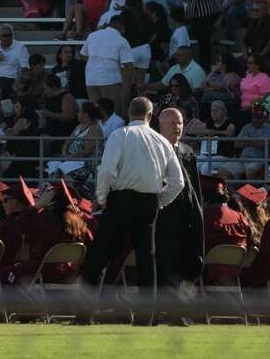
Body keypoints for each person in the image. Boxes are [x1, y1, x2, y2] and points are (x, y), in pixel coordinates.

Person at [81, 96, 186, 291]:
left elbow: (107, 171)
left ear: (129, 113)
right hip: (149, 202)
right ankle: (146, 316)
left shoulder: (120, 135)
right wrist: (159, 200)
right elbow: (178, 182)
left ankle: (85, 313)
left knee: (100, 255)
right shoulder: (162, 141)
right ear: (150, 115)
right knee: (147, 259)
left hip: (121, 199)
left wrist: (102, 198)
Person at [152, 106, 205, 293]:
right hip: (164, 215)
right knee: (165, 261)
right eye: (172, 123)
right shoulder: (154, 150)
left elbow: (195, 186)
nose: (177, 127)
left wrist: (197, 210)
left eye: (180, 123)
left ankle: (178, 309)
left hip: (186, 216)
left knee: (186, 261)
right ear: (161, 126)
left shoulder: (186, 151)